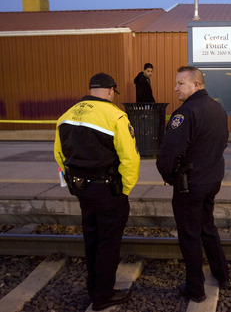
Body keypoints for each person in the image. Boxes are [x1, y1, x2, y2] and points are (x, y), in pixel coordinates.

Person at [54, 72, 140, 311]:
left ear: (91, 90)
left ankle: (94, 288)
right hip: (108, 190)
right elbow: (130, 158)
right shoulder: (115, 116)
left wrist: (72, 183)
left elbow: (59, 155)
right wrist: (125, 189)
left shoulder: (66, 116)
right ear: (111, 90)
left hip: (82, 189)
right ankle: (102, 296)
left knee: (91, 238)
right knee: (108, 243)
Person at [156, 66, 229, 303]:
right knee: (207, 227)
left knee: (189, 235)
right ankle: (222, 274)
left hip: (190, 185)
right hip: (211, 180)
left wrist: (171, 178)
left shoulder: (184, 113)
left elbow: (168, 155)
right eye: (176, 83)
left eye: (181, 83)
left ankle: (195, 288)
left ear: (197, 85)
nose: (175, 88)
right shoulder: (217, 108)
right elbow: (222, 143)